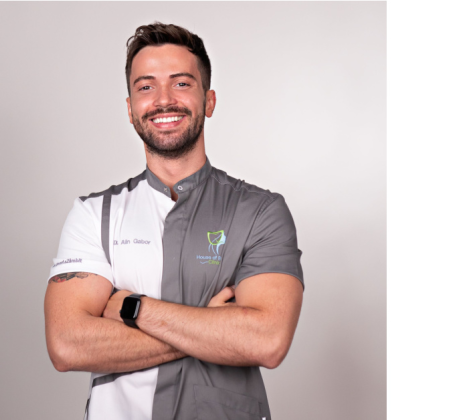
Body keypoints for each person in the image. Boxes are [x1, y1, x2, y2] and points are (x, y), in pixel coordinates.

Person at [44, 22, 304, 420]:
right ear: (130, 109)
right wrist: (212, 328)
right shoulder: (95, 214)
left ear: (209, 101)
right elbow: (67, 345)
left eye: (181, 83)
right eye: (146, 87)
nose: (164, 100)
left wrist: (133, 309)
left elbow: (266, 341)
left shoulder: (259, 211)